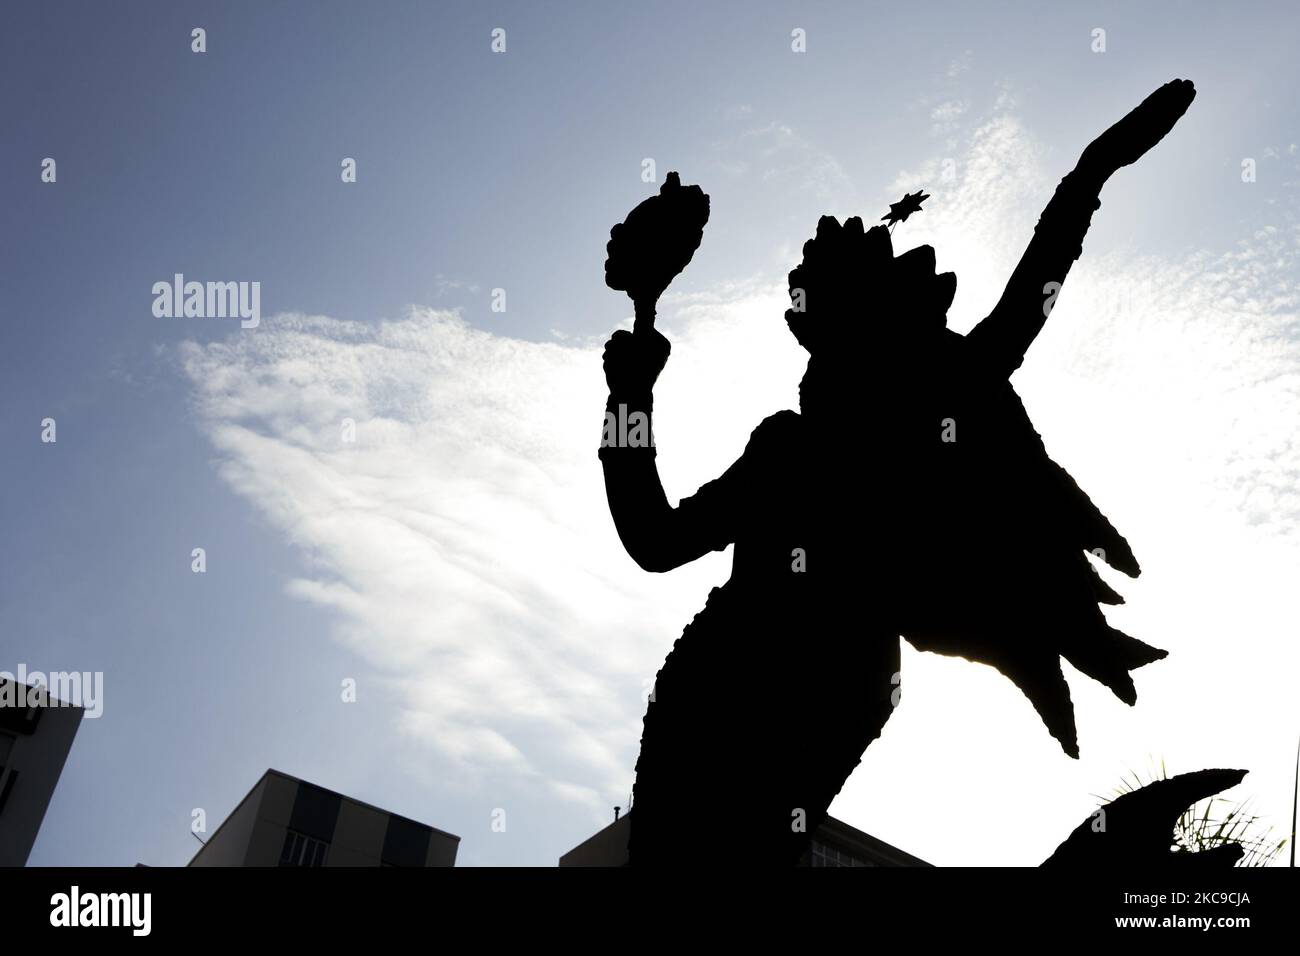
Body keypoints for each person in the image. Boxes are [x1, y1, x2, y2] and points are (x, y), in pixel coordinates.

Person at [599, 80, 1197, 866]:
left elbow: (1029, 301)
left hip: (761, 697)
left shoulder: (850, 436)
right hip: (729, 699)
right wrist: (629, 397)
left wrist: (1088, 177)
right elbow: (655, 537)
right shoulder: (797, 447)